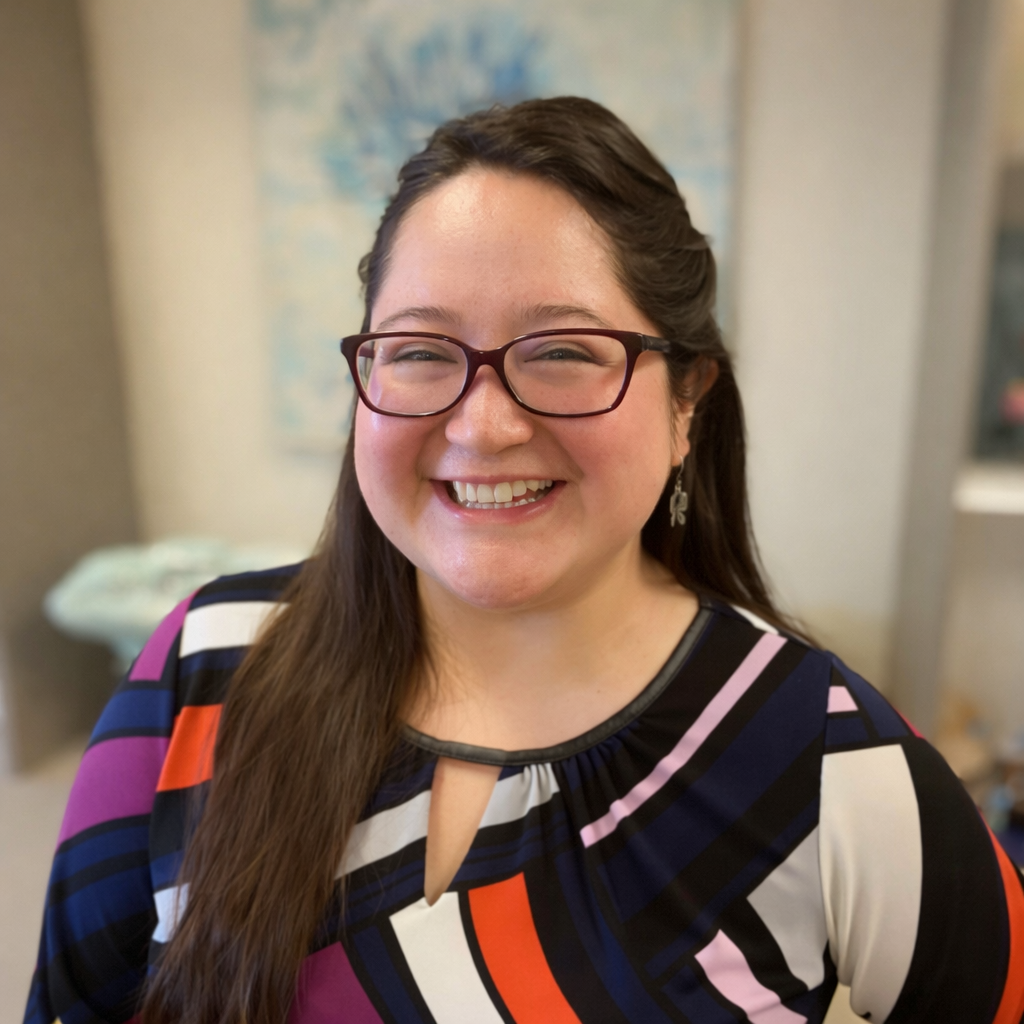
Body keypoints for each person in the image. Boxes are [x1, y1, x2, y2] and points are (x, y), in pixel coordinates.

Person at [24, 97, 1024, 1024]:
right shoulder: (206, 664)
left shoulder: (815, 753)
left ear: (687, 404)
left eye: (562, 351)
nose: (484, 424)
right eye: (419, 351)